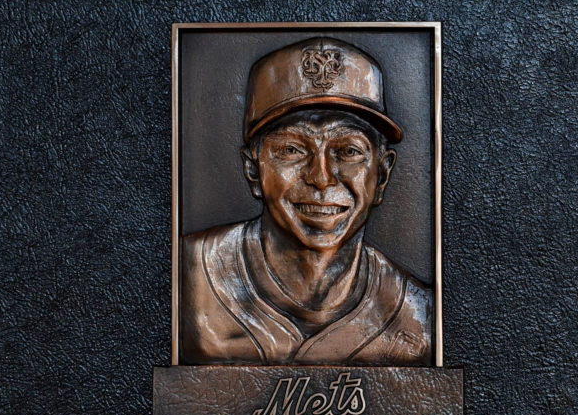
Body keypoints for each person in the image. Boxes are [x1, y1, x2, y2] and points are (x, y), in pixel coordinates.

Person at [180, 37, 433, 365]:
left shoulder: (419, 320)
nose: (322, 177)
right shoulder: (184, 280)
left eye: (348, 151)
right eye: (291, 150)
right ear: (253, 171)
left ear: (381, 175)